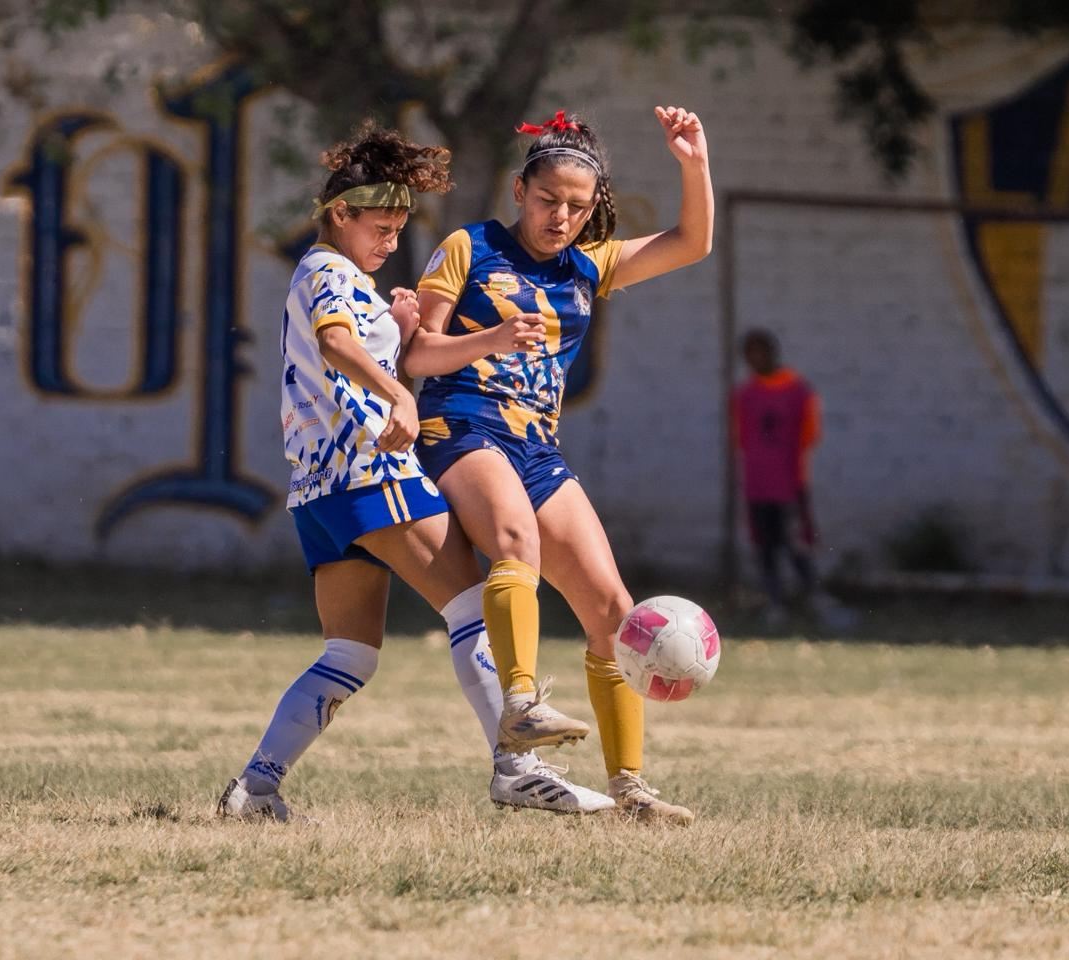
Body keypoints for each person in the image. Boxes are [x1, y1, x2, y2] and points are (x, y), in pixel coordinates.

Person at [217, 124, 612, 821]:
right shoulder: (327, 270)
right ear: (339, 214)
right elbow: (337, 345)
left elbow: (357, 344)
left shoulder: (350, 281)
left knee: (351, 654)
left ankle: (256, 788)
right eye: (379, 227)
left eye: (400, 229)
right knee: (474, 608)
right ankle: (516, 768)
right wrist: (399, 390)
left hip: (319, 493)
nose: (391, 242)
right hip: (372, 472)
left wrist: (399, 331)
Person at [403, 107, 714, 822]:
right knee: (517, 542)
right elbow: (417, 353)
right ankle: (521, 705)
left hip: (536, 449)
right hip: (461, 424)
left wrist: (692, 162)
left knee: (613, 609)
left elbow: (694, 242)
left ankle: (631, 788)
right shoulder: (468, 246)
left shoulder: (589, 265)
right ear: (520, 190)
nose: (561, 217)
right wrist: (494, 338)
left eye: (577, 207)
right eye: (547, 201)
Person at [732, 329, 853, 630]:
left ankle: (814, 599)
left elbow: (810, 436)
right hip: (757, 486)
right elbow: (741, 439)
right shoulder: (744, 395)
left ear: (773, 352)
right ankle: (775, 604)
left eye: (760, 351)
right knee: (765, 549)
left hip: (789, 485)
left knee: (797, 545)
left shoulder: (799, 391)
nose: (755, 359)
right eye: (750, 353)